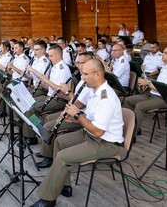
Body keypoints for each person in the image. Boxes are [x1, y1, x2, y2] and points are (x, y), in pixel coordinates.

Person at [30, 59, 124, 207]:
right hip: (90, 135)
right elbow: (91, 119)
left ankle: (47, 199)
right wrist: (74, 119)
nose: (82, 77)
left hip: (106, 143)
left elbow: (98, 131)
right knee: (59, 142)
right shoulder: (95, 92)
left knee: (63, 156)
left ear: (98, 74)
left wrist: (77, 115)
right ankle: (64, 186)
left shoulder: (106, 98)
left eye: (85, 74)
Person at [35, 52, 93, 169]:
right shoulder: (82, 79)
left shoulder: (89, 82)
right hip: (73, 110)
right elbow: (76, 99)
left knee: (48, 126)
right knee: (48, 119)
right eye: (77, 62)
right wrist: (65, 96)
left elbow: (80, 104)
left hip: (80, 116)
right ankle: (48, 151)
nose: (77, 65)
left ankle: (49, 157)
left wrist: (67, 92)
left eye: (81, 63)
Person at [123, 46, 167, 133]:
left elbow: (165, 89)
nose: (162, 55)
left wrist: (147, 83)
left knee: (140, 106)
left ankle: (131, 133)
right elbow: (158, 84)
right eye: (163, 52)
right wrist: (146, 80)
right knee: (128, 100)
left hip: (164, 99)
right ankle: (134, 126)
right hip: (152, 95)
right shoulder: (164, 68)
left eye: (166, 53)